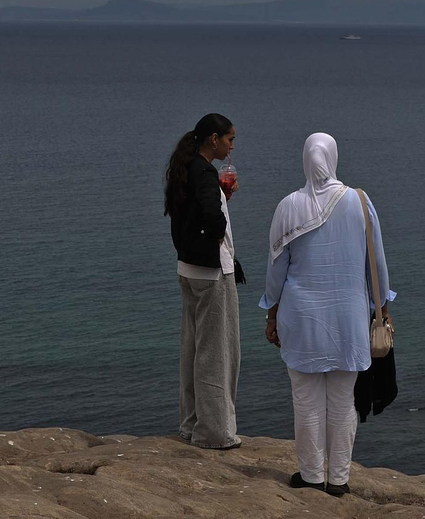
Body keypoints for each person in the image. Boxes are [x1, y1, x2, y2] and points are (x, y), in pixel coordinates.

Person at [261, 132, 394, 497]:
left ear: (306, 159)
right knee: (343, 400)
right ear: (333, 157)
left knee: (306, 401)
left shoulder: (289, 206)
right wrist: (383, 310)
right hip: (350, 318)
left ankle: (311, 475)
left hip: (301, 318)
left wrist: (271, 313)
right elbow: (377, 267)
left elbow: (277, 270)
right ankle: (339, 480)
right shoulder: (360, 202)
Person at [165, 112, 243, 450]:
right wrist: (215, 239)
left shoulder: (184, 169)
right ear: (214, 139)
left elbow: (194, 213)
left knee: (193, 349)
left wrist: (223, 203)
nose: (231, 146)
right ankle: (215, 432)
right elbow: (212, 218)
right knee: (218, 353)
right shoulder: (206, 173)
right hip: (212, 273)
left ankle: (191, 424)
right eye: (229, 139)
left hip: (187, 268)